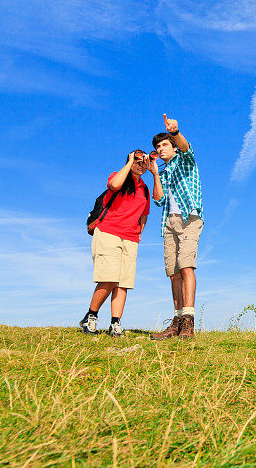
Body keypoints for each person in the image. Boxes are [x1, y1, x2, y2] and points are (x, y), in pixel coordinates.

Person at [80, 151, 152, 336]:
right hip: (108, 233)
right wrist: (129, 163)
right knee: (109, 278)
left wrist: (138, 234)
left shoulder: (144, 189)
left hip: (131, 238)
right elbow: (114, 185)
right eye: (137, 160)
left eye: (144, 161)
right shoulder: (118, 176)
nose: (141, 164)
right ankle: (91, 317)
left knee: (123, 283)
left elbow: (144, 215)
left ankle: (115, 323)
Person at [149, 114, 203, 340]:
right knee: (173, 273)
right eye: (157, 147)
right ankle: (178, 321)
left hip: (189, 218)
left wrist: (175, 132)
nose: (160, 149)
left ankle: (189, 321)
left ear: (171, 146)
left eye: (164, 145)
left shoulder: (184, 160)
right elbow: (159, 200)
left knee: (185, 265)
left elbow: (186, 147)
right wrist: (154, 174)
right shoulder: (163, 171)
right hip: (169, 222)